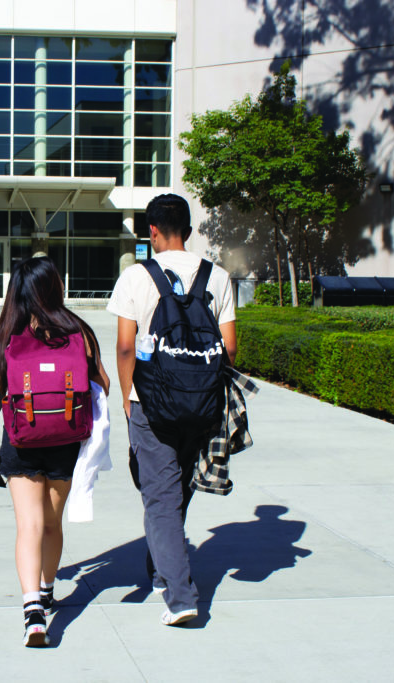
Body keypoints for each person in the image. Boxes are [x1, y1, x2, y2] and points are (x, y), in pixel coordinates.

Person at [106, 194, 237, 627]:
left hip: (151, 403)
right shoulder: (217, 277)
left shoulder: (135, 277)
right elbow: (230, 350)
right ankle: (163, 562)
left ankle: (180, 596)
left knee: (160, 494)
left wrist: (128, 398)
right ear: (190, 229)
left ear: (153, 232)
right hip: (202, 405)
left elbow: (126, 346)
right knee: (177, 489)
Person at [0, 257, 110, 647]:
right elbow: (103, 385)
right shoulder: (78, 331)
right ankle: (48, 589)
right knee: (52, 524)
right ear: (55, 288)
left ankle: (33, 610)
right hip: (66, 442)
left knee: (28, 527)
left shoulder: (9, 334)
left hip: (21, 441)